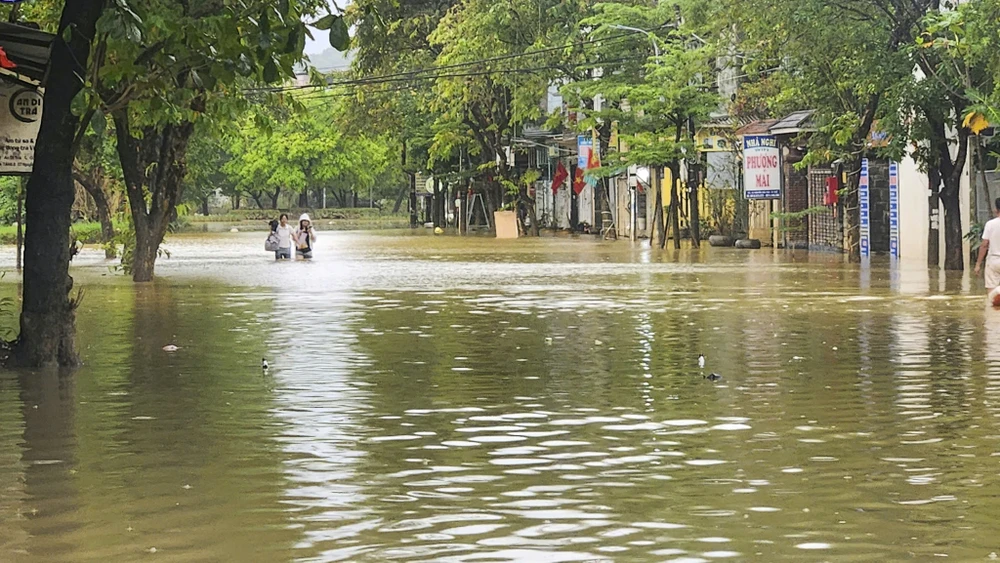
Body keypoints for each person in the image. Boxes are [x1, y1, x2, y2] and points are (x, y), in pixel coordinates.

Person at [974, 197, 1000, 307]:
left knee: (991, 295)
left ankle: (993, 320)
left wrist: (978, 264)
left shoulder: (990, 224)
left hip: (993, 260)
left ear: (996, 209)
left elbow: (984, 245)